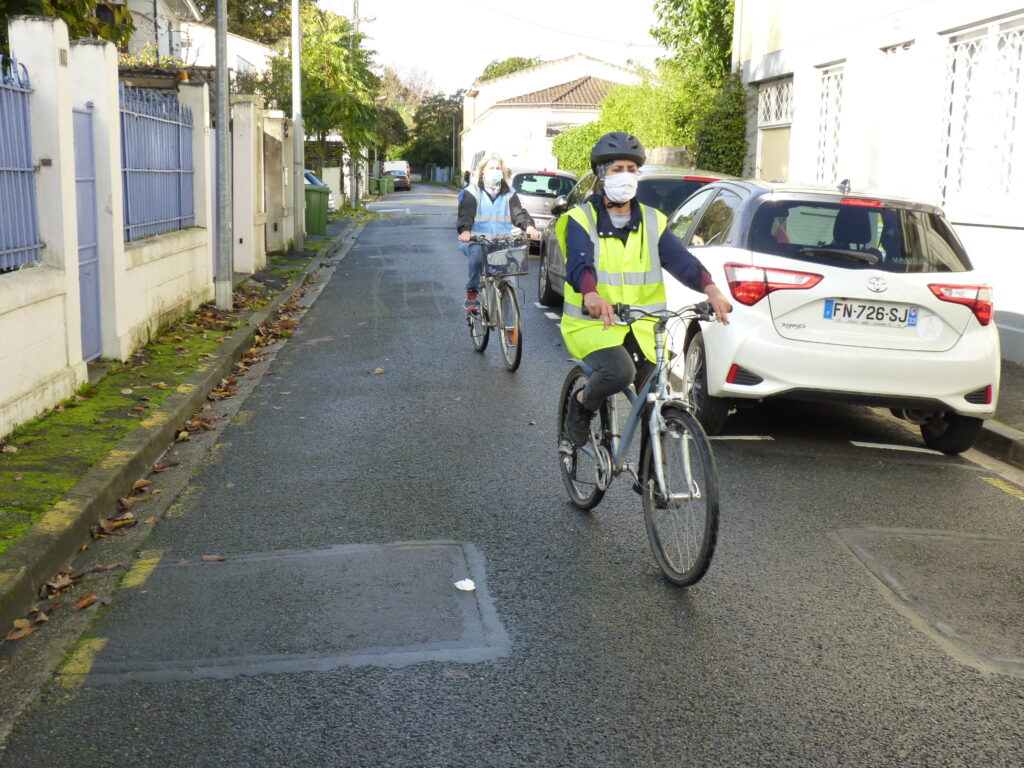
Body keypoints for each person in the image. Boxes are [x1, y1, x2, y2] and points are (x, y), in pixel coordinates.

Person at [558, 131, 732, 446]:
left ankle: (652, 485)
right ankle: (582, 404)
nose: (626, 176)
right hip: (594, 326)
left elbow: (682, 262)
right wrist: (591, 294)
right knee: (619, 373)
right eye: (616, 169)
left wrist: (712, 289)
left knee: (656, 402)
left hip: (642, 328)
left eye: (631, 169)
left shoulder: (653, 221)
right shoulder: (580, 219)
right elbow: (579, 264)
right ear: (601, 174)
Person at [457, 153, 540, 310]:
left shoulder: (509, 192)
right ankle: (472, 291)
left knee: (509, 282)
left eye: (498, 168)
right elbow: (466, 214)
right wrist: (465, 231)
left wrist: (529, 226)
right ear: (482, 171)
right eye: (491, 168)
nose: (495, 171)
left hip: (501, 243)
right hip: (476, 241)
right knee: (477, 255)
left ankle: (509, 327)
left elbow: (518, 212)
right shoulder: (472, 191)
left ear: (503, 172)